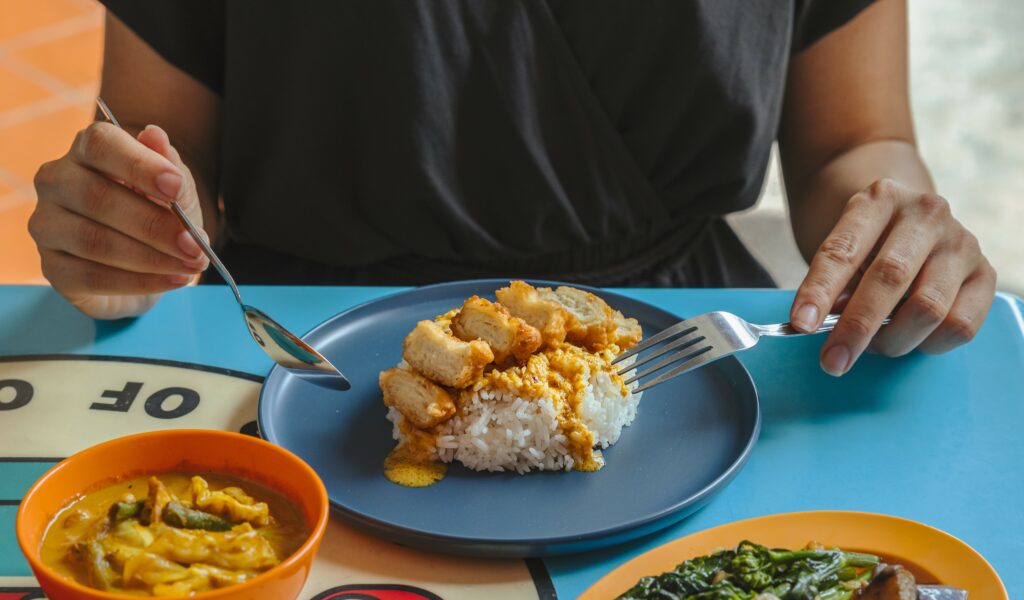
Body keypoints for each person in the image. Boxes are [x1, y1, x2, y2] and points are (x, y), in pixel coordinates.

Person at [27, 0, 996, 377]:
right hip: (306, 350)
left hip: (679, 347)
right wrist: (127, 227)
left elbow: (855, 140)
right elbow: (162, 151)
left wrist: (897, 219)